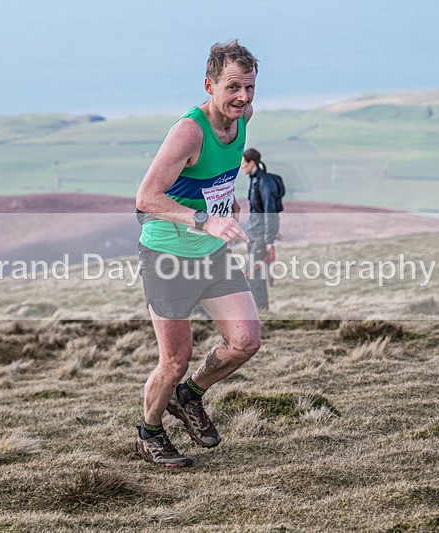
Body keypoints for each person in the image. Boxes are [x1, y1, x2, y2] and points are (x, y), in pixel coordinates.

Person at [133, 40, 261, 467]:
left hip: (213, 252)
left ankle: (190, 397)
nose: (242, 97)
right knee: (174, 361)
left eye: (249, 87)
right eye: (232, 87)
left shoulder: (242, 120)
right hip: (168, 254)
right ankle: (149, 433)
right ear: (210, 85)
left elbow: (217, 173)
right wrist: (206, 218)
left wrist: (229, 201)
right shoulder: (188, 131)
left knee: (245, 341)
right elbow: (146, 198)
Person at [241, 148, 281, 311]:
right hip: (254, 235)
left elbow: (270, 211)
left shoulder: (265, 183)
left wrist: (269, 241)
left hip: (260, 237)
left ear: (251, 163)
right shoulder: (254, 180)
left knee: (253, 273)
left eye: (243, 163)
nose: (241, 166)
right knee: (253, 274)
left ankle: (261, 310)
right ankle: (260, 309)